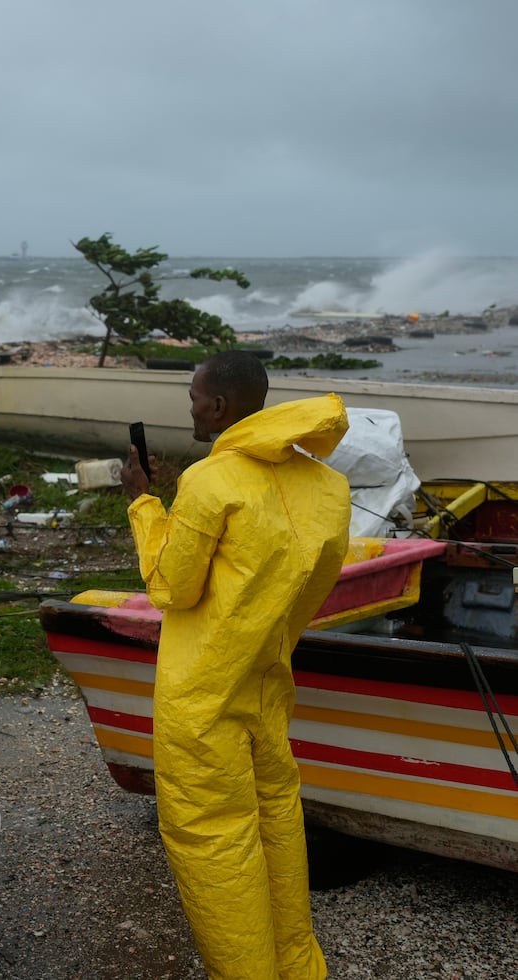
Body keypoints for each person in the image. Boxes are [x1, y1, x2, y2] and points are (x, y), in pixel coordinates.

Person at [119, 350, 351, 980]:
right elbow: (307, 582)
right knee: (277, 814)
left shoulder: (211, 481)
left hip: (203, 694)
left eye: (194, 396)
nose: (191, 406)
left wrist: (144, 505)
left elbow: (171, 588)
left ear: (218, 405)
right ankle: (299, 967)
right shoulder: (329, 487)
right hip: (268, 678)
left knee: (214, 838)